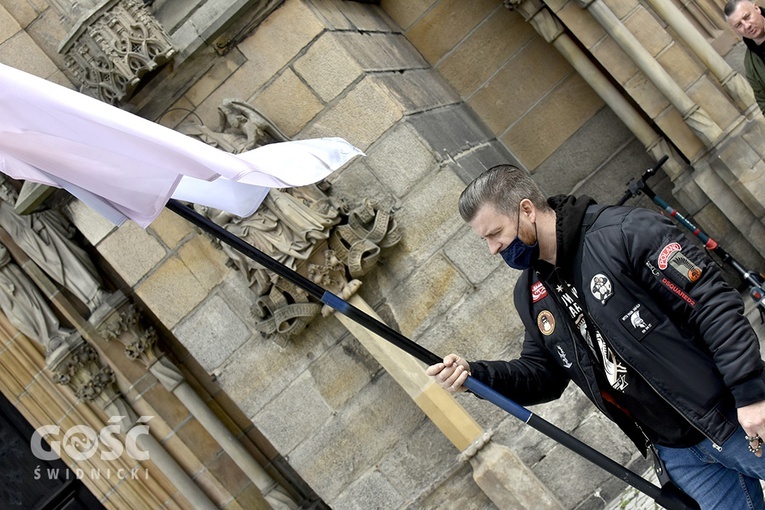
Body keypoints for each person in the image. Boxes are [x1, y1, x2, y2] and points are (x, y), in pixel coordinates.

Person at [426, 164, 765, 509]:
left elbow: (711, 304)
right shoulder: (531, 294)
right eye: (484, 239)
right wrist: (475, 376)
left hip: (733, 417)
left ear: (526, 210)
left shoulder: (624, 231)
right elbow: (542, 376)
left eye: (495, 233)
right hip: (677, 454)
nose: (493, 249)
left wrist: (750, 394)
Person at [725, 0, 765, 115]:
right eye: (739, 25)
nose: (747, 26)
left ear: (756, 9)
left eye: (747, 17)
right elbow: (763, 101)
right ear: (735, 30)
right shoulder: (751, 63)